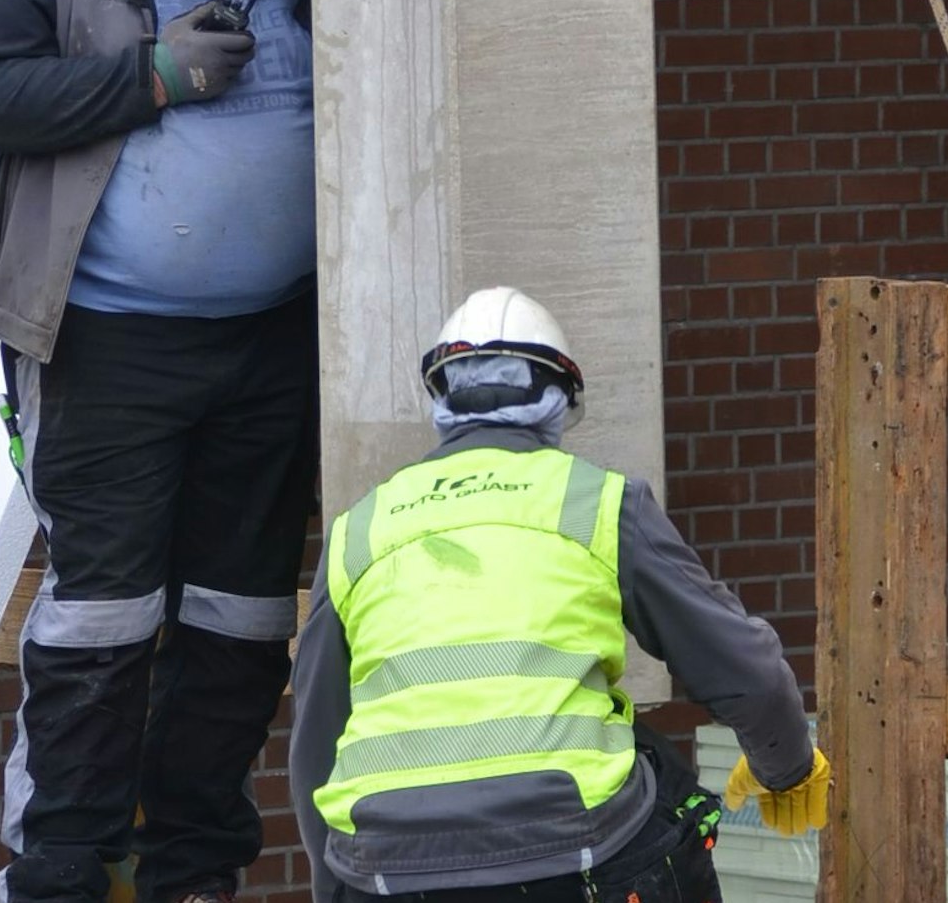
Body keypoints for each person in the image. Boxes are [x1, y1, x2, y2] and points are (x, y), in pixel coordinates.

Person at [0, 0, 316, 900]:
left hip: (270, 344)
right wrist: (147, 79)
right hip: (106, 340)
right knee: (103, 613)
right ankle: (61, 865)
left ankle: (194, 869)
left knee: (241, 616)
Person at [290, 287, 833, 902]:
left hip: (385, 867)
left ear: (440, 400)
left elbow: (315, 746)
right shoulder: (596, 501)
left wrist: (336, 889)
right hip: (572, 848)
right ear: (561, 401)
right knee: (667, 792)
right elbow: (744, 670)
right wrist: (785, 768)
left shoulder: (359, 528)